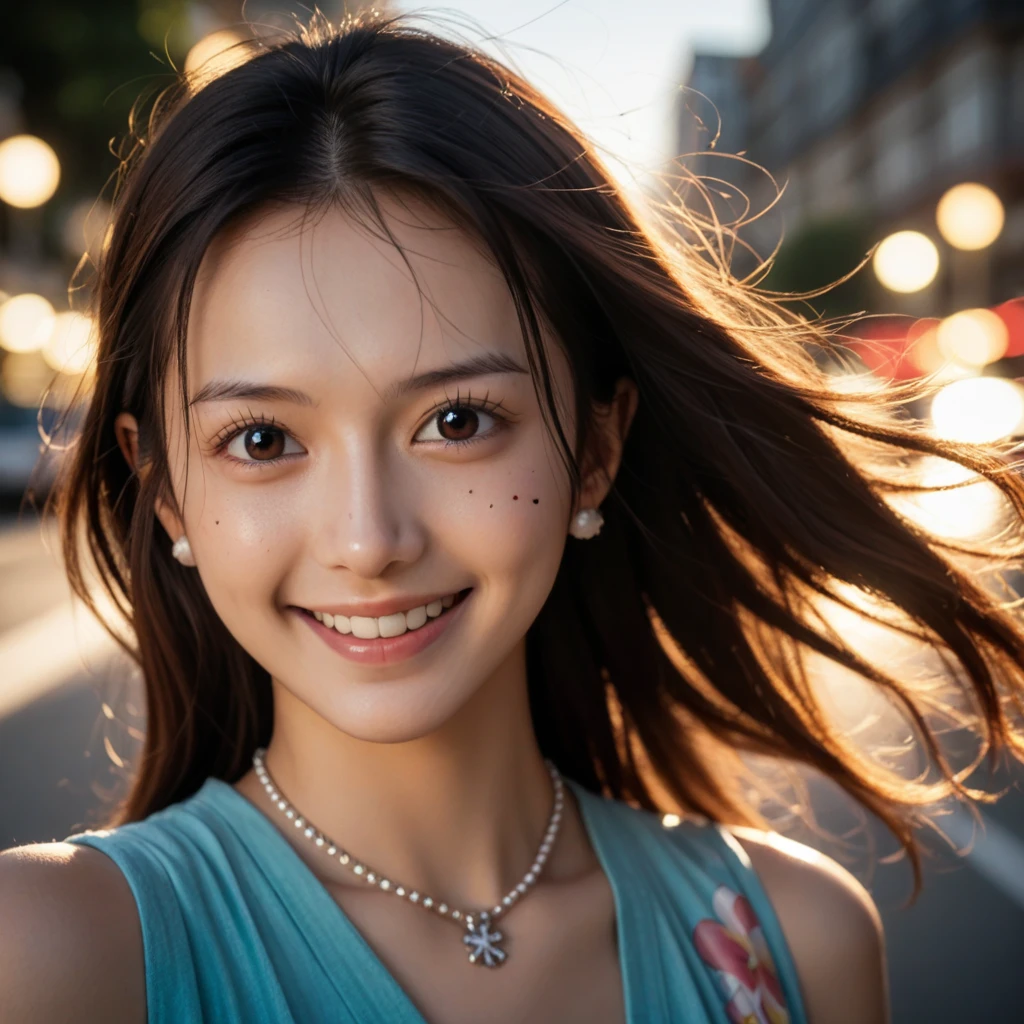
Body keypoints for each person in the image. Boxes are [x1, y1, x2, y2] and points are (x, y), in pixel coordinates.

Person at [3, 10, 1024, 1023]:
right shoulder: (53, 955)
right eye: (263, 440)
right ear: (166, 486)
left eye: (456, 420)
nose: (369, 539)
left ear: (594, 450)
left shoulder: (798, 943)